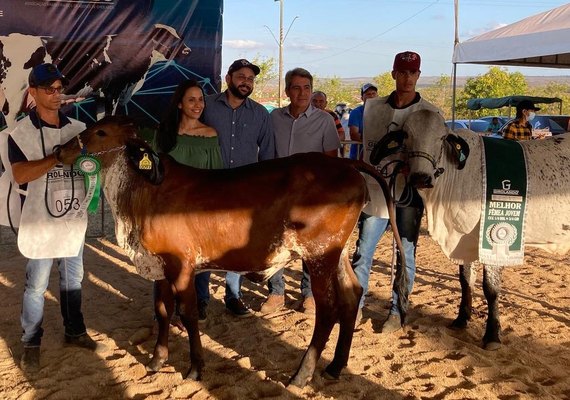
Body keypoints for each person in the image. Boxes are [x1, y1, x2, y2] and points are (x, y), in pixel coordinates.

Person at [5, 64, 102, 372]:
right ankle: (31, 342)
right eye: (49, 89)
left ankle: (75, 331)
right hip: (40, 222)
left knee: (73, 279)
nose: (56, 94)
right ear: (32, 92)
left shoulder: (77, 128)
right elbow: (20, 173)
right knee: (36, 285)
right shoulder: (19, 133)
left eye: (60, 89)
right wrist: (57, 157)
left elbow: (91, 167)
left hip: (73, 218)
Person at [354, 51, 440, 332]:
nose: (407, 78)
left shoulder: (430, 113)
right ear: (393, 74)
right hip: (376, 191)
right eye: (402, 72)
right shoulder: (373, 108)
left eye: (412, 73)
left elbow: (437, 157)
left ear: (418, 75)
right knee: (363, 251)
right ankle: (355, 306)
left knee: (406, 254)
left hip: (410, 194)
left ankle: (397, 310)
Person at [262, 67, 340, 315]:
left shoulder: (325, 120)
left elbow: (331, 160)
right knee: (274, 244)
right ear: (287, 91)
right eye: (296, 87)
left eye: (306, 87)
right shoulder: (273, 118)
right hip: (277, 193)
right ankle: (276, 293)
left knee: (308, 246)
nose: (302, 93)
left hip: (311, 197)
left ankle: (308, 295)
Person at [201, 59, 275, 317]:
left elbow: (268, 155)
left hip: (244, 192)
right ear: (228, 78)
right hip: (209, 187)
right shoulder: (206, 106)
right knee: (204, 240)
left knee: (238, 243)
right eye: (241, 76)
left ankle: (233, 294)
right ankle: (200, 297)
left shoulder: (260, 114)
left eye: (251, 79)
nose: (246, 82)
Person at [154, 79, 223, 322]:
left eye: (200, 100)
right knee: (166, 264)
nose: (197, 104)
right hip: (168, 215)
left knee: (201, 263)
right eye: (191, 100)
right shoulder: (164, 134)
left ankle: (200, 304)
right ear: (180, 104)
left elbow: (217, 174)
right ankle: (163, 308)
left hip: (199, 213)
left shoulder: (210, 134)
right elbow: (153, 173)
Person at [348, 83, 378, 159]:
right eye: (368, 94)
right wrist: (375, 138)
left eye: (373, 93)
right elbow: (354, 135)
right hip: (358, 157)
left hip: (377, 157)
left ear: (377, 95)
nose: (371, 96)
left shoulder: (383, 111)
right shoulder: (356, 112)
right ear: (362, 98)